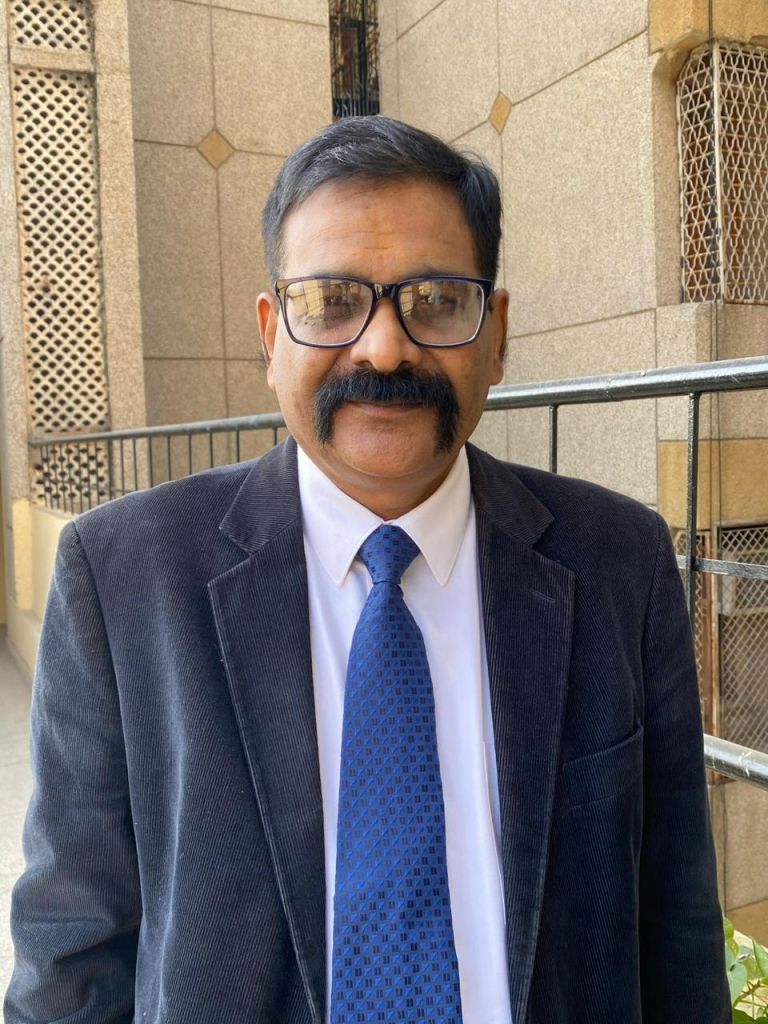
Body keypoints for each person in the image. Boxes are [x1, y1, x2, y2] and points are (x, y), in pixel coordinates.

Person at [5, 116, 729, 1024]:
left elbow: (677, 929)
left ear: (496, 334)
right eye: (331, 301)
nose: (385, 348)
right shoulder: (123, 578)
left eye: (437, 300)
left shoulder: (620, 563)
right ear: (270, 334)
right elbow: (72, 953)